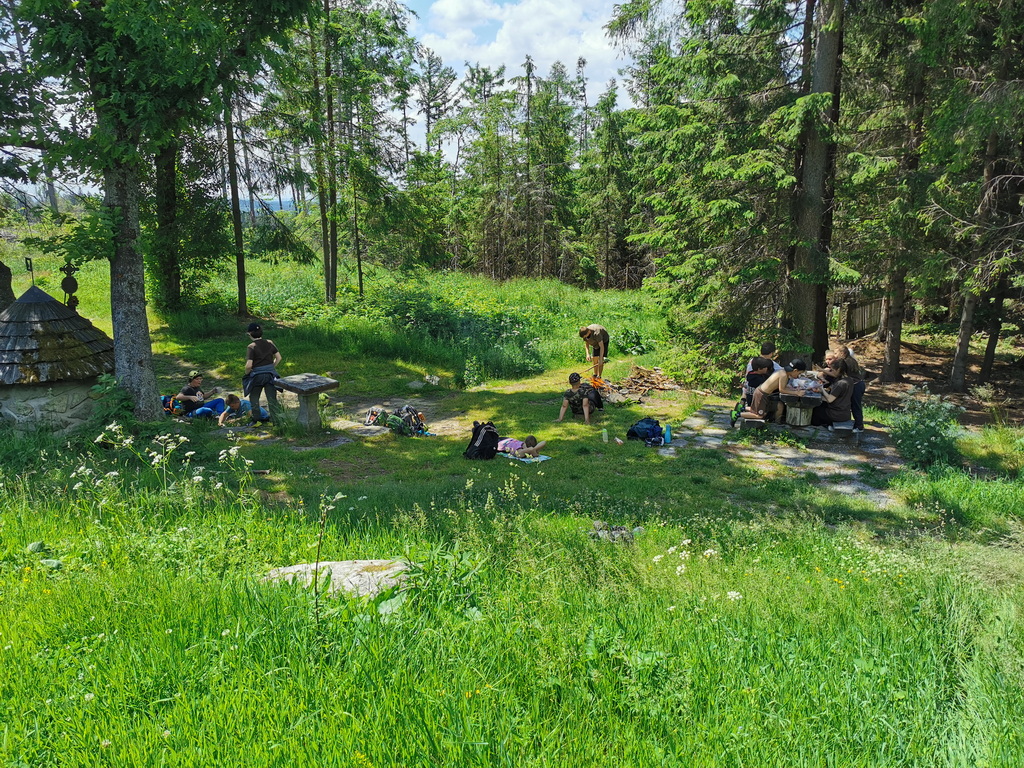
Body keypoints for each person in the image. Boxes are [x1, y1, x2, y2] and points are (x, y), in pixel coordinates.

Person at [739, 358, 809, 422]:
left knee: (759, 411)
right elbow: (782, 390)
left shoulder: (783, 372)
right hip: (762, 394)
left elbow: (784, 387)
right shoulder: (784, 375)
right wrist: (796, 393)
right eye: (799, 373)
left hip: (761, 392)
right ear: (795, 370)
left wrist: (794, 389)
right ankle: (737, 414)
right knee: (759, 416)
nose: (798, 376)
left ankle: (741, 408)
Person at [243, 322, 282, 424]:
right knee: (272, 398)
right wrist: (271, 367)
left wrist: (247, 373)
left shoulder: (251, 346)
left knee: (254, 397)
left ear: (249, 333)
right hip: (270, 375)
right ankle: (276, 420)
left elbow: (249, 365)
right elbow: (278, 358)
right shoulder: (269, 342)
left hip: (257, 376)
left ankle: (257, 420)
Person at [811, 358, 856, 428]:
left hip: (836, 414)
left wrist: (822, 389)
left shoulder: (840, 384)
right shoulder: (849, 380)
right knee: (820, 405)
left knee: (815, 411)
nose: (831, 372)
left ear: (838, 370)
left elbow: (830, 399)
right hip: (845, 413)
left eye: (832, 370)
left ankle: (817, 429)